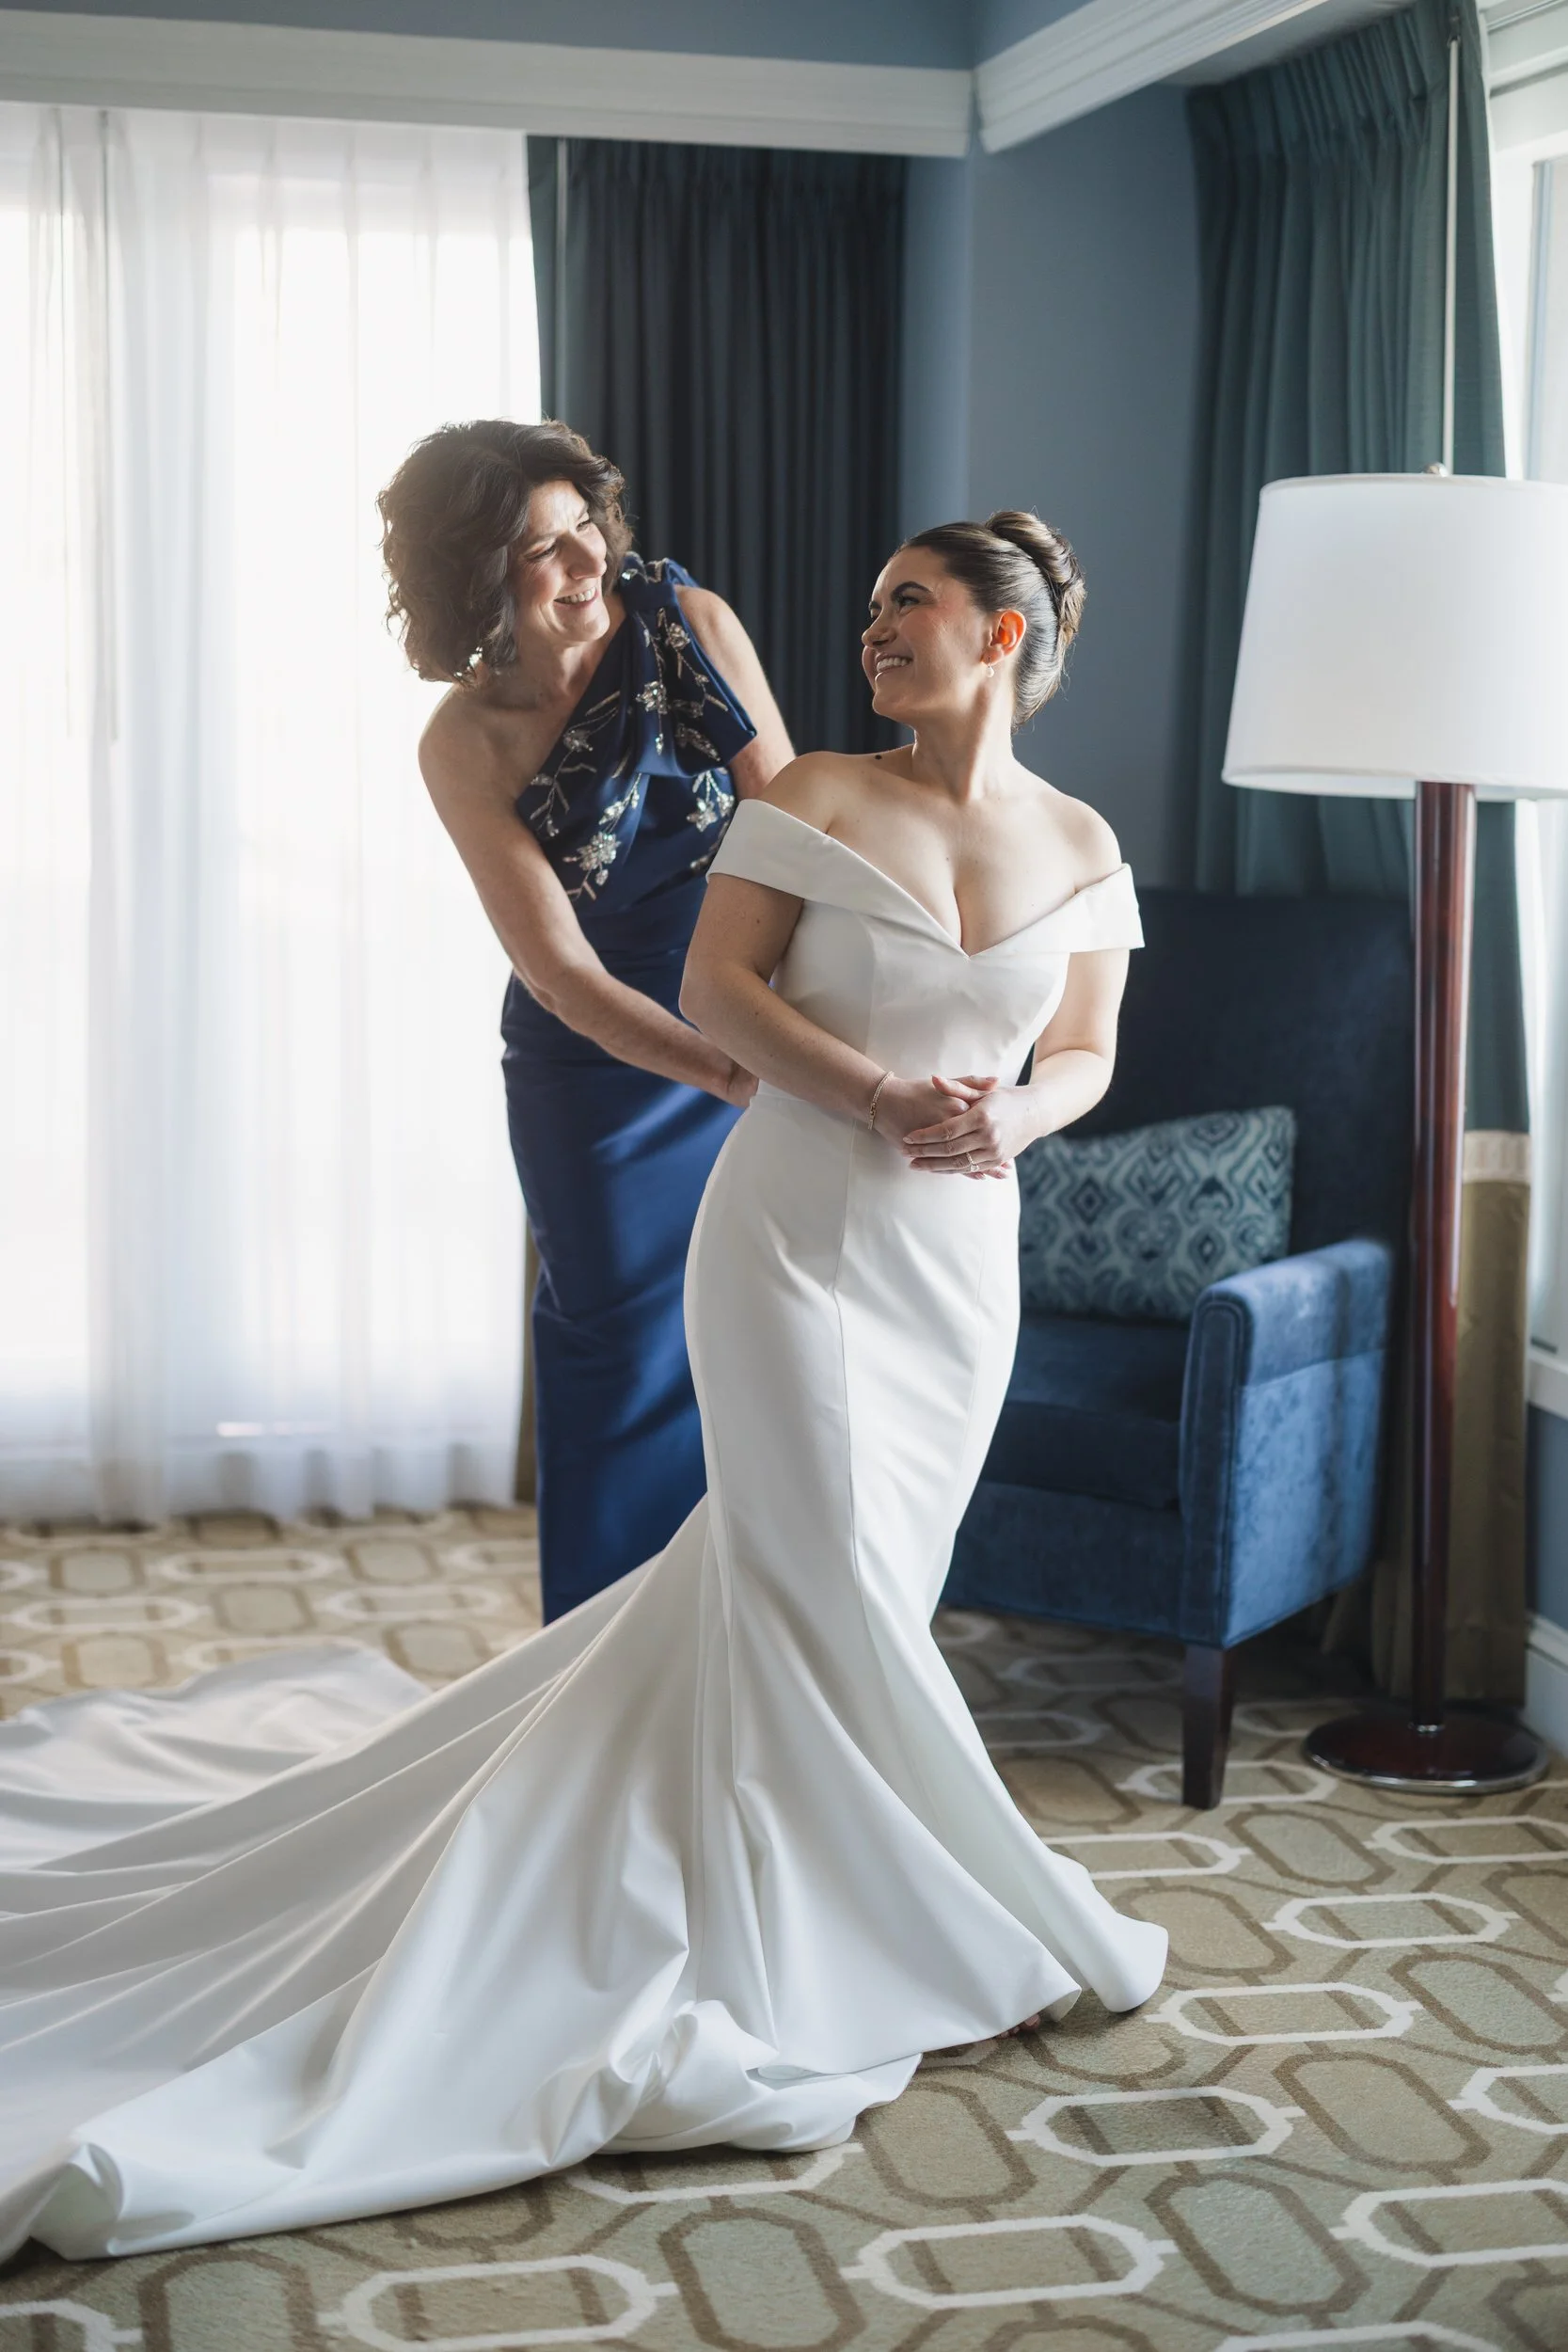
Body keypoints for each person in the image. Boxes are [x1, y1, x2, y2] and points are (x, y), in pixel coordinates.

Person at [0, 510, 1166, 2263]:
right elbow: (714, 985)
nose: (871, 630)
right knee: (812, 1562)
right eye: (866, 607)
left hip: (959, 1263)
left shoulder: (1081, 840)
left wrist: (1007, 1113)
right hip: (790, 1231)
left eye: (908, 604)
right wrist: (867, 1101)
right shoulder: (814, 799)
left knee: (845, 1585)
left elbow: (1079, 1049)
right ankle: (853, 1911)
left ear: (1001, 637)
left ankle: (818, 1865)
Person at [379, 421, 794, 1619]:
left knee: (752, 1353)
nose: (585, 565)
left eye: (585, 530)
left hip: (752, 1016)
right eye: (540, 551)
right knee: (620, 1353)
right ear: (474, 583)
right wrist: (729, 1072)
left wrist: (795, 1041)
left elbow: (797, 829)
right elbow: (557, 972)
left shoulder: (688, 623)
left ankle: (734, 1656)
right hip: (597, 1078)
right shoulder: (463, 741)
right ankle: (601, 1673)